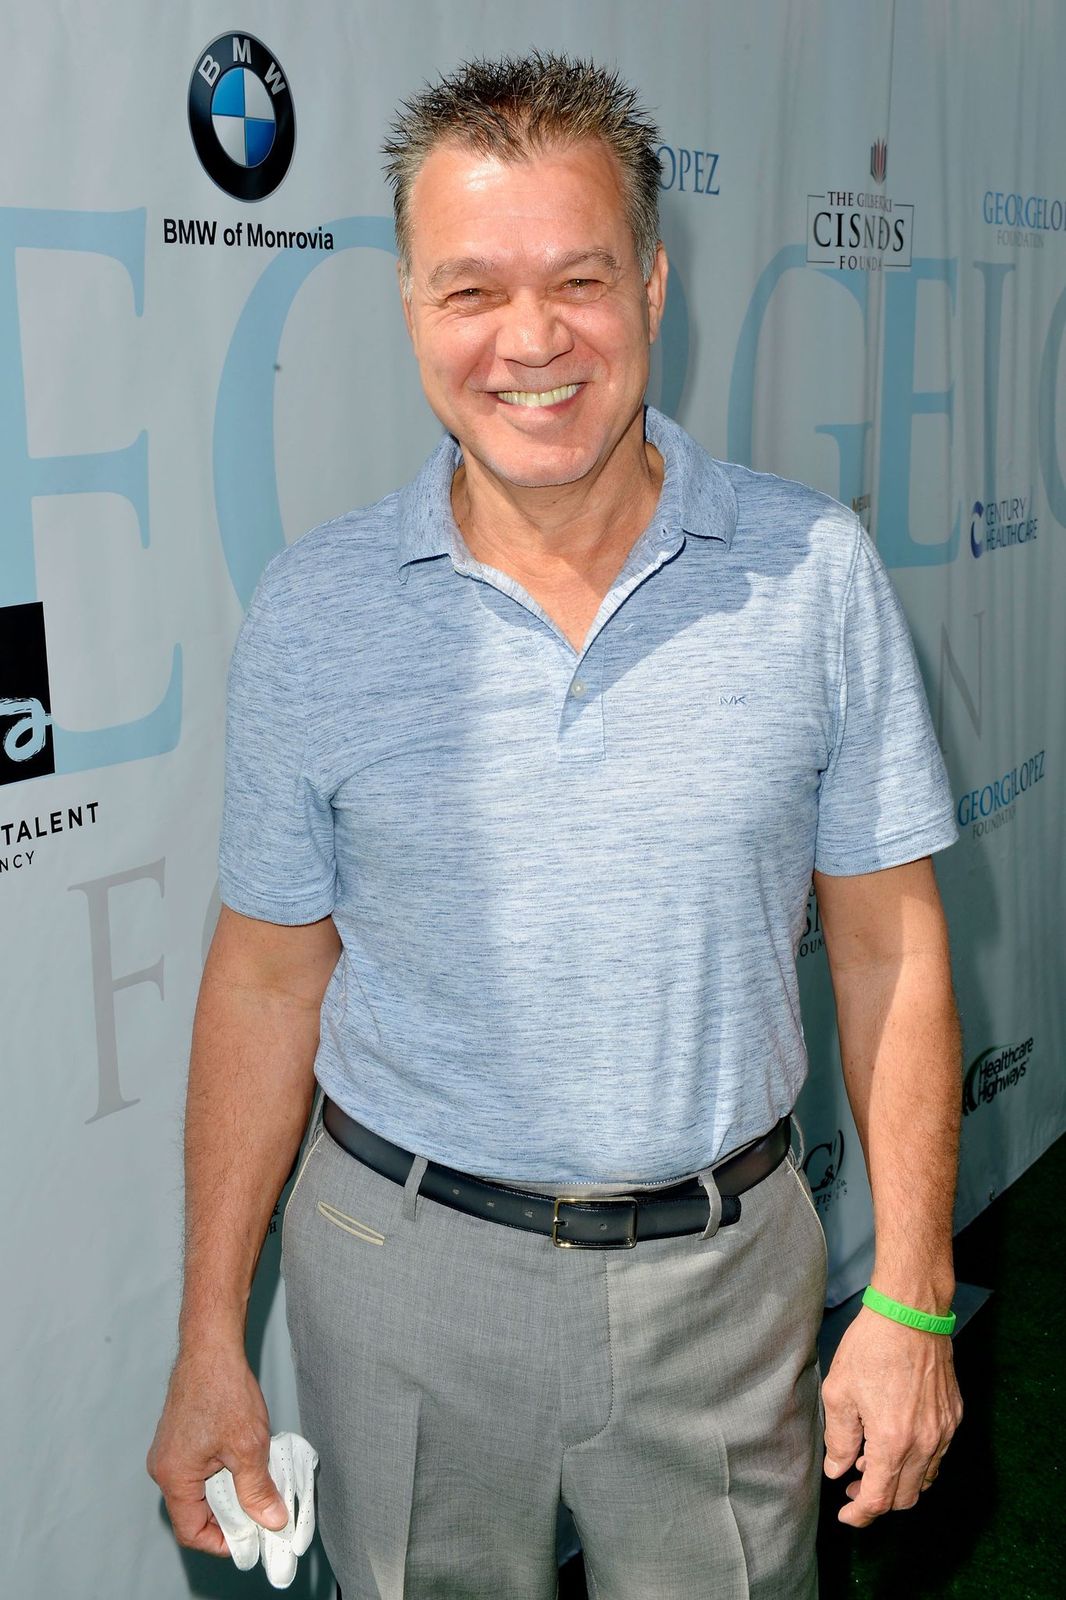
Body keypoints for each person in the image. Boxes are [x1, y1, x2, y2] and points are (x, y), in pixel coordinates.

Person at [148, 52, 963, 1599]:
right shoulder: (316, 612)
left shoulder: (810, 575)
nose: (529, 341)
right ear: (407, 309)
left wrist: (913, 1297)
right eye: (470, 290)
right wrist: (207, 1337)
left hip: (724, 1284)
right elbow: (263, 982)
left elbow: (889, 950)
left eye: (578, 279)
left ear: (652, 284)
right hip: (397, 1282)